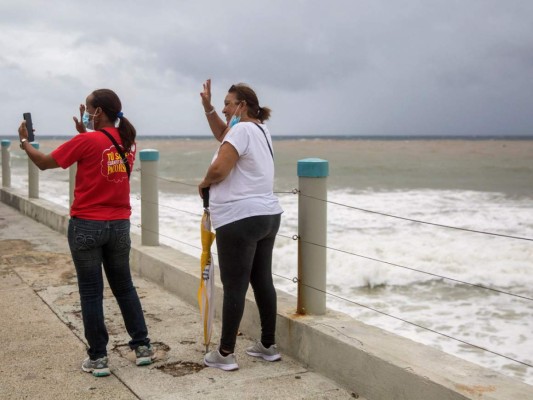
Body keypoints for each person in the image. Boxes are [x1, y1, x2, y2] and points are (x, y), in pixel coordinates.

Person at [17, 89, 153, 377]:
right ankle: (142, 347)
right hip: (119, 225)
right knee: (124, 286)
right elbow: (102, 154)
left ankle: (99, 358)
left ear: (98, 112)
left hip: (87, 225)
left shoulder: (86, 140)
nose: (86, 113)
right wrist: (83, 132)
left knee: (91, 292)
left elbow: (43, 162)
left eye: (88, 109)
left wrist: (25, 142)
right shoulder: (128, 141)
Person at [198, 79, 283, 371]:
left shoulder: (243, 129)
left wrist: (205, 182)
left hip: (240, 218)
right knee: (262, 281)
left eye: (227, 103)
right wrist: (208, 109)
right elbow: (225, 136)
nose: (224, 108)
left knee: (234, 285)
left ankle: (225, 353)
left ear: (243, 106)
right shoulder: (259, 129)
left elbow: (220, 167)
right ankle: (268, 346)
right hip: (268, 215)